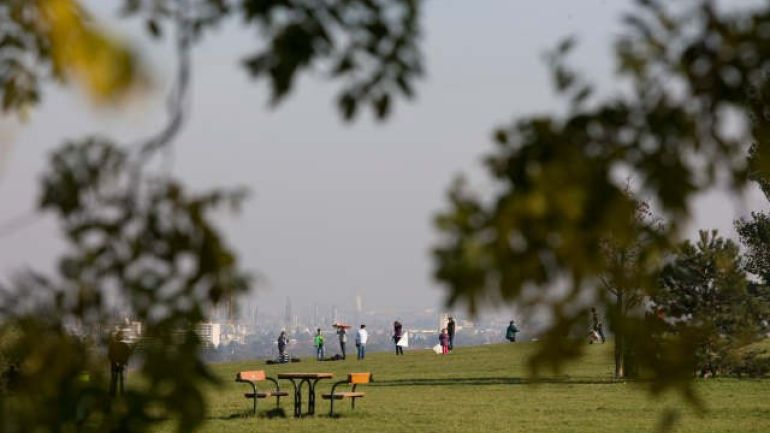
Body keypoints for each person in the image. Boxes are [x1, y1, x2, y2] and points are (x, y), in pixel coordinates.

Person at [108, 330, 131, 397]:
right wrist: (122, 362)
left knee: (116, 379)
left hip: (118, 364)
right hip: (118, 364)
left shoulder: (115, 345)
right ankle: (118, 393)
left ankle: (114, 393)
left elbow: (110, 354)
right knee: (118, 379)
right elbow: (127, 354)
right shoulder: (123, 345)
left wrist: (116, 361)